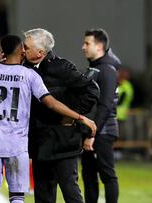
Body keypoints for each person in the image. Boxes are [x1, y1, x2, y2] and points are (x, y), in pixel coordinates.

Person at [0, 35, 97, 203]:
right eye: (23, 47)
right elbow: (51, 103)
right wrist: (80, 117)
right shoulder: (29, 75)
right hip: (18, 144)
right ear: (19, 51)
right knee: (17, 195)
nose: (24, 50)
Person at [22, 28, 100, 203]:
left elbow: (92, 90)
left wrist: (73, 115)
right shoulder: (23, 68)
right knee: (42, 195)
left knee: (70, 193)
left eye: (26, 47)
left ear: (40, 52)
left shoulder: (62, 67)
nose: (22, 50)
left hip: (63, 143)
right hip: (39, 142)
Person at [81, 28, 120, 203]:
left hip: (101, 132)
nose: (83, 47)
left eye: (87, 43)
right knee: (88, 177)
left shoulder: (107, 70)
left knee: (107, 175)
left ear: (99, 47)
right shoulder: (94, 68)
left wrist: (92, 134)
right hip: (92, 130)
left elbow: (104, 105)